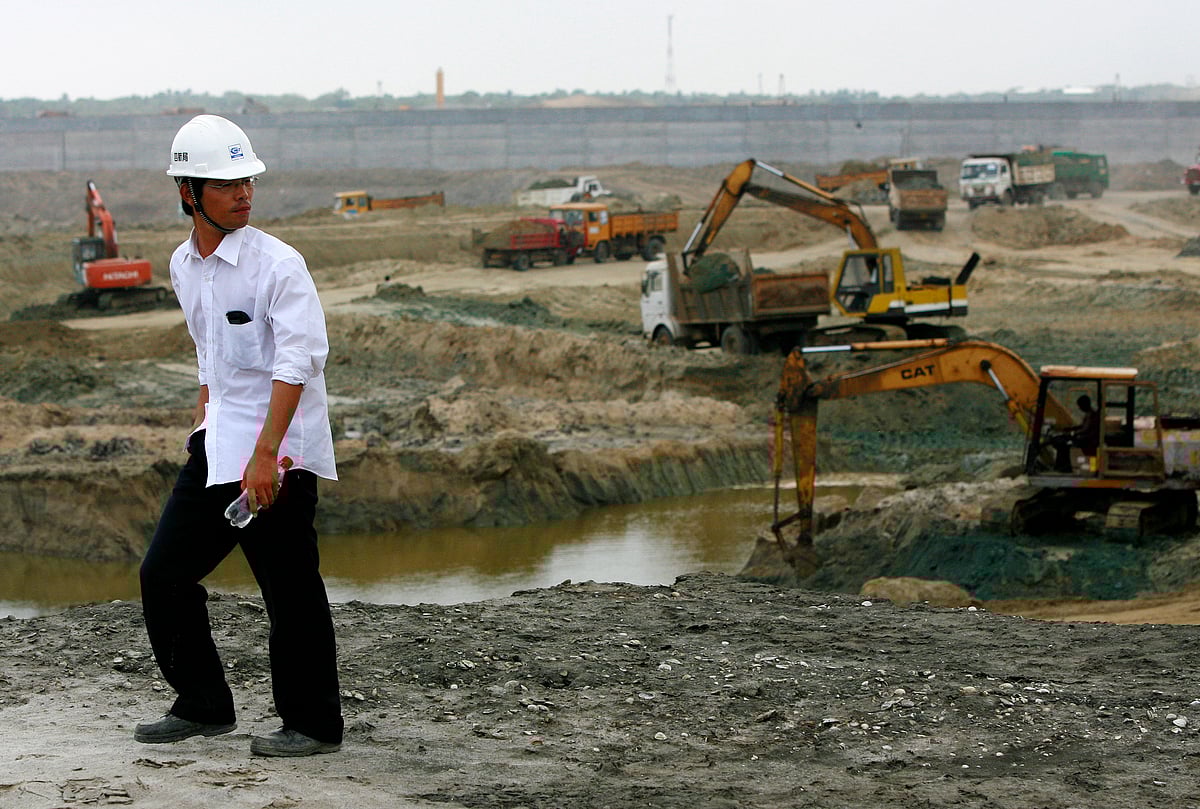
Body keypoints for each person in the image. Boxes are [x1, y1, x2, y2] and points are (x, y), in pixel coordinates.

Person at [135, 115, 343, 757]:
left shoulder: (278, 264)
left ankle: (311, 724)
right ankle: (202, 705)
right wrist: (203, 417)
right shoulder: (182, 264)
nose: (244, 194)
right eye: (226, 185)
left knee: (289, 590)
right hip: (219, 442)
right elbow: (210, 353)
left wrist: (265, 456)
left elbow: (299, 361)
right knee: (162, 576)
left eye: (247, 180)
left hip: (278, 453)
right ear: (188, 193)